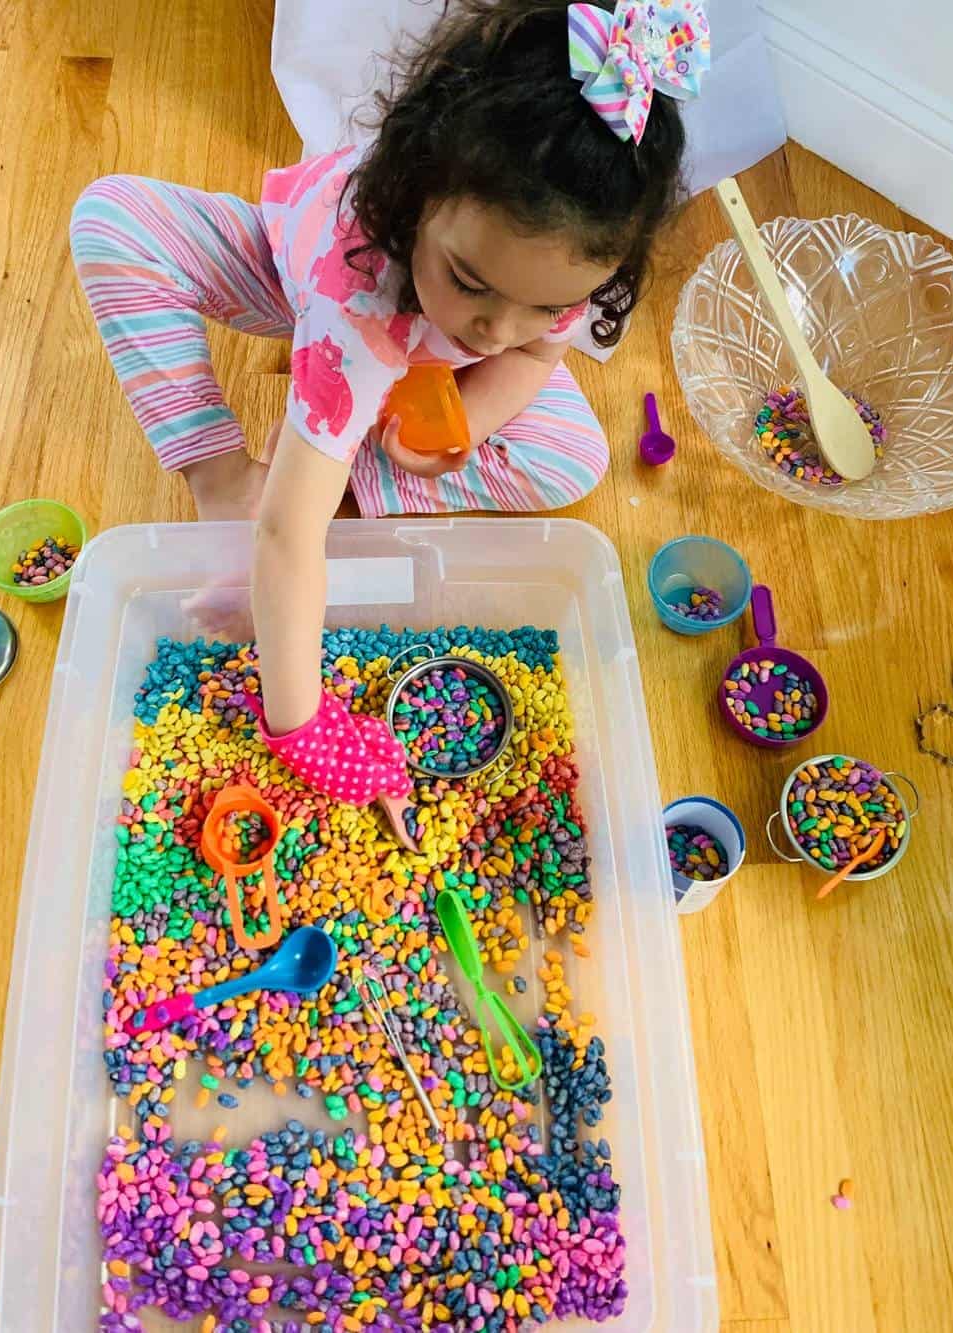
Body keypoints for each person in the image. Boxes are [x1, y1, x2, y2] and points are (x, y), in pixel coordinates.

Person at [71, 0, 709, 832]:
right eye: (472, 281)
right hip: (306, 286)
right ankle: (234, 478)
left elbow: (529, 355)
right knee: (112, 219)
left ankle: (334, 455)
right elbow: (287, 540)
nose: (496, 323)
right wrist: (305, 729)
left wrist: (463, 424)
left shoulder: (545, 288)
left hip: (410, 367)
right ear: (415, 196)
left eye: (547, 301)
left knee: (577, 455)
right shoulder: (359, 299)